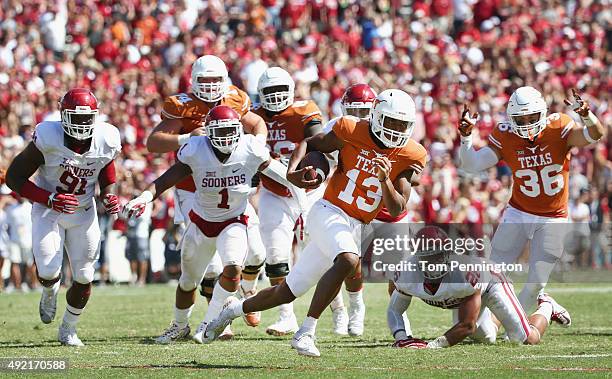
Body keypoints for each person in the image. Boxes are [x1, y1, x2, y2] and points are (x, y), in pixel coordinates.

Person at [205, 89, 427, 358]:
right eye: (390, 121)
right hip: (329, 210)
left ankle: (233, 309)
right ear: (377, 115)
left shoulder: (410, 153)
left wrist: (385, 179)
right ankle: (305, 332)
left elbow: (397, 207)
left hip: (355, 225)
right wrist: (294, 171)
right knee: (348, 259)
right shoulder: (349, 127)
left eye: (402, 125)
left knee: (286, 293)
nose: (395, 130)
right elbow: (310, 143)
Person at [124, 105, 307, 344]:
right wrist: (144, 197)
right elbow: (167, 178)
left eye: (230, 131)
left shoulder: (250, 148)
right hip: (201, 221)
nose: (225, 138)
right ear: (208, 133)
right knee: (188, 282)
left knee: (232, 268)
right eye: (219, 133)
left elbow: (284, 175)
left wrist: (303, 207)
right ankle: (179, 326)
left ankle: (209, 322)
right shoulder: (196, 149)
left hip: (234, 220)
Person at [145, 55, 268, 342]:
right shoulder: (182, 105)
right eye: (205, 81)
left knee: (256, 252)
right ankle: (217, 321)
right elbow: (153, 143)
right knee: (210, 266)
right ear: (193, 82)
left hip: (230, 185)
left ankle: (246, 291)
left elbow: (257, 123)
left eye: (216, 80)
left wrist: (258, 143)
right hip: (193, 187)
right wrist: (186, 138)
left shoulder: (236, 98)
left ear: (225, 80)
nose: (211, 86)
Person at [458, 87, 606, 312]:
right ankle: (486, 322)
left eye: (532, 117)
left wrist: (587, 115)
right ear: (511, 117)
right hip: (518, 212)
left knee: (536, 283)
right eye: (520, 118)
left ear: (543, 112)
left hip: (553, 217)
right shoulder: (506, 134)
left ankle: (526, 317)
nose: (526, 123)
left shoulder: (558, 127)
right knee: (492, 272)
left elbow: (595, 134)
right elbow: (472, 164)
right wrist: (466, 138)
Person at [5, 88, 121, 346]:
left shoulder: (106, 138)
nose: (81, 124)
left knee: (84, 275)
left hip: (83, 211)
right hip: (49, 209)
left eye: (86, 118)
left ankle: (68, 328)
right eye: (75, 118)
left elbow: (106, 171)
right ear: (62, 115)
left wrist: (109, 195)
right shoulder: (48, 136)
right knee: (47, 270)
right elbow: (14, 177)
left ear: (95, 117)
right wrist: (49, 198)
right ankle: (49, 290)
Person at [387, 226, 571, 349]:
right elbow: (395, 310)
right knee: (487, 338)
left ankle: (547, 305)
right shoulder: (405, 274)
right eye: (428, 257)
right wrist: (403, 338)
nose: (433, 261)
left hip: (490, 283)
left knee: (526, 339)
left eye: (438, 255)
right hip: (466, 297)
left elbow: (467, 325)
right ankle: (501, 313)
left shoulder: (462, 275)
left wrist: (432, 346)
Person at [251, 66, 324, 335]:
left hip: (309, 190)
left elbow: (316, 140)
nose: (275, 96)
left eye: (281, 90)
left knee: (324, 251)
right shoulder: (253, 116)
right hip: (274, 192)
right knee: (276, 254)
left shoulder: (304, 110)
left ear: (292, 91)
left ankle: (341, 309)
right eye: (269, 91)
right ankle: (286, 316)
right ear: (260, 93)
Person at [321, 83, 377, 336]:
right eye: (353, 111)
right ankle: (340, 309)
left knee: (352, 259)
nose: (359, 117)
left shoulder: (382, 129)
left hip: (365, 200)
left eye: (364, 112)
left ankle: (356, 306)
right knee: (329, 259)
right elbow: (321, 154)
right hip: (334, 197)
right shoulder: (338, 126)